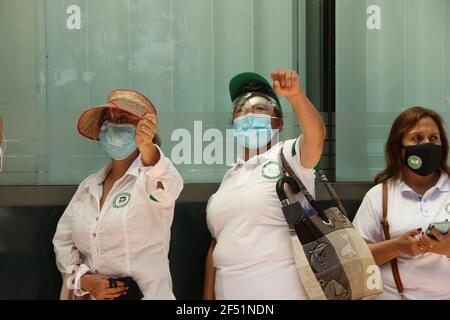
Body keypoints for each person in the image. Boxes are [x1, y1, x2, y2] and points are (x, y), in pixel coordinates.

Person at [203, 69, 326, 299]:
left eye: (260, 108)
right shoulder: (229, 178)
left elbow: (316, 138)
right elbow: (217, 245)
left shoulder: (289, 157)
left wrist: (296, 96)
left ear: (278, 122)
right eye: (241, 109)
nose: (249, 113)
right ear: (234, 124)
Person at [53, 90, 183, 300]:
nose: (112, 126)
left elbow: (168, 186)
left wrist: (147, 148)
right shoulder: (89, 186)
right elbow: (63, 241)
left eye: (123, 119)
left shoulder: (152, 178)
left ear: (144, 129)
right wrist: (83, 279)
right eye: (107, 120)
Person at [353, 106, 450, 300]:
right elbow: (355, 260)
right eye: (417, 138)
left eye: (433, 138)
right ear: (399, 149)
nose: (426, 144)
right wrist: (397, 247)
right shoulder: (379, 196)